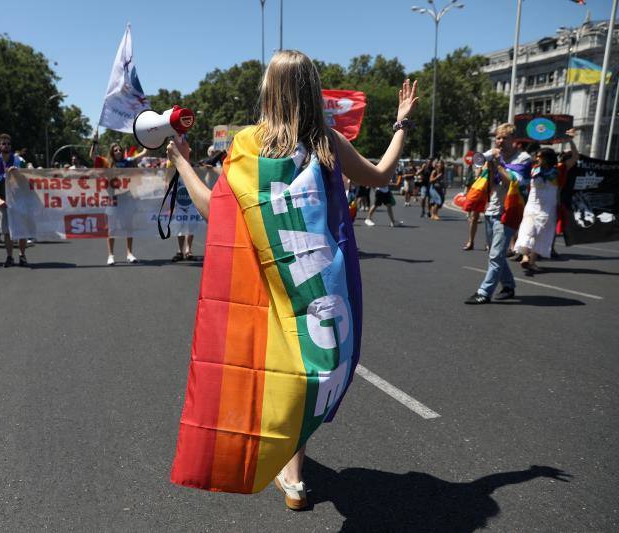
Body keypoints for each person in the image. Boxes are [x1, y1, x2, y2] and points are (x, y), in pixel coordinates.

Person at [167, 50, 418, 509]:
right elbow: (382, 175)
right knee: (307, 366)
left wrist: (182, 162)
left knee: (272, 367)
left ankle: (279, 464)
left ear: (267, 90)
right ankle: (295, 474)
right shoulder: (328, 143)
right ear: (311, 91)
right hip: (317, 283)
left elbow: (214, 214)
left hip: (264, 285)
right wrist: (401, 124)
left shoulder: (246, 146)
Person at [465, 123, 532, 304]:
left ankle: (484, 292)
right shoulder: (496, 157)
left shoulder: (523, 158)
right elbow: (490, 183)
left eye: (504, 138)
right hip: (492, 209)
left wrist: (499, 163)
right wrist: (489, 166)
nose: (500, 141)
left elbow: (514, 182)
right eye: (498, 138)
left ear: (514, 140)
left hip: (509, 212)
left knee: (496, 254)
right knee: (496, 254)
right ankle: (508, 285)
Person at [514, 131, 578, 273]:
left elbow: (575, 157)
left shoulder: (559, 170)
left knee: (542, 234)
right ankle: (525, 257)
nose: (536, 158)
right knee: (527, 230)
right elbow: (524, 155)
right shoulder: (533, 169)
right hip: (531, 207)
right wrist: (533, 139)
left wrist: (570, 140)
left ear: (548, 159)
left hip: (548, 208)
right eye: (536, 156)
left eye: (539, 157)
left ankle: (532, 261)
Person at [96, 139, 148, 265]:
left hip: (127, 199)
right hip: (113, 200)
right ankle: (111, 255)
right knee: (111, 229)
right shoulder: (107, 163)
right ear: (112, 153)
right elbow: (93, 156)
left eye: (119, 149)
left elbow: (144, 153)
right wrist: (94, 141)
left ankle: (129, 254)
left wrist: (146, 137)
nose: (118, 151)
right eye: (115, 150)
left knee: (129, 227)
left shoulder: (128, 162)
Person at [0, 133, 28, 267]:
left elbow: (29, 177)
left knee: (21, 229)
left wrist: (17, 173)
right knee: (6, 231)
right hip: (3, 200)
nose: (6, 146)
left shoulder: (18, 160)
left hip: (19, 199)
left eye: (8, 143)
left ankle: (22, 255)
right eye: (3, 143)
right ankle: (9, 256)